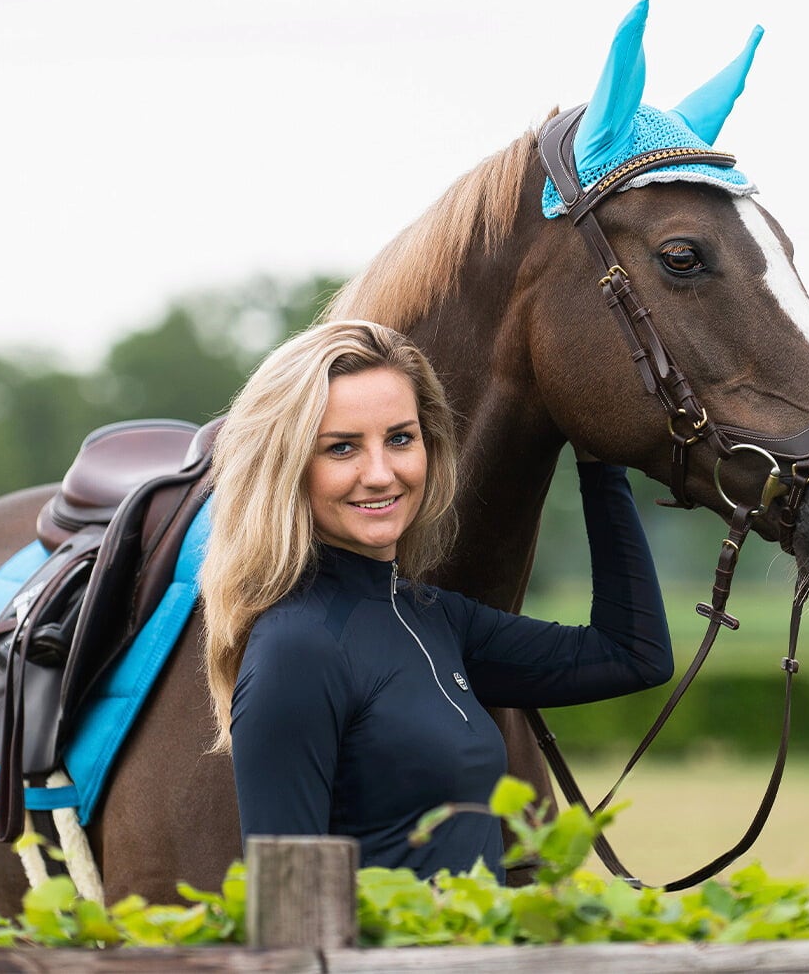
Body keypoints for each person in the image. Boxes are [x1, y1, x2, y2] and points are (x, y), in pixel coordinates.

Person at [200, 319, 673, 882]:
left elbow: (633, 654)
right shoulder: (297, 649)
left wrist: (599, 464)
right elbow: (290, 902)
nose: (381, 474)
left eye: (400, 439)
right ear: (289, 466)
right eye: (342, 448)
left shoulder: (432, 617)